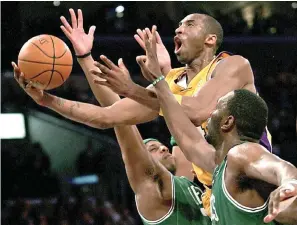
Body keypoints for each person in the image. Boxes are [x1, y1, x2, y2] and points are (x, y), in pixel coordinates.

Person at [59, 9, 271, 215]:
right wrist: (48, 96)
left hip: (252, 178)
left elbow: (198, 110)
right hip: (216, 189)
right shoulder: (171, 82)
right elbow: (106, 117)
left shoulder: (233, 64)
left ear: (210, 39)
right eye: (178, 26)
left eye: (189, 24)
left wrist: (134, 89)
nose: (178, 30)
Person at [13, 66, 211, 225]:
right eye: (152, 149)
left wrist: (172, 72)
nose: (163, 148)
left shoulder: (183, 183)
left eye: (161, 146)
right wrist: (85, 59)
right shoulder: (151, 188)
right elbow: (119, 119)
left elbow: (181, 122)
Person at [138, 26, 297, 224]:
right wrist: (160, 79)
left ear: (227, 122)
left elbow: (280, 168)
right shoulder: (216, 165)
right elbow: (188, 138)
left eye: (216, 110)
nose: (209, 114)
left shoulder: (241, 154)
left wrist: (290, 183)